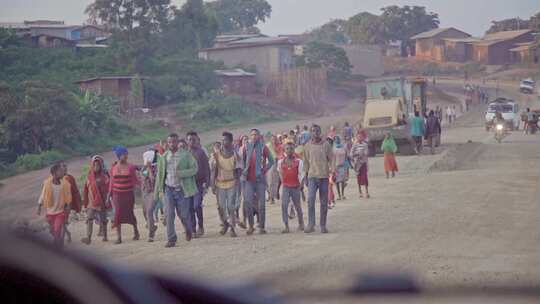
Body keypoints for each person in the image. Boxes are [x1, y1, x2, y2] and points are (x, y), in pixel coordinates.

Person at [155, 134, 198, 248]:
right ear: (167, 143)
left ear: (178, 142)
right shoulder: (164, 156)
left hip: (181, 190)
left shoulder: (185, 155)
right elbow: (160, 175)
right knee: (169, 215)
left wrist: (183, 173)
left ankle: (188, 229)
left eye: (174, 142)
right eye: (169, 142)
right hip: (168, 188)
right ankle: (171, 239)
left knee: (184, 215)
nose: (172, 144)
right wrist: (158, 190)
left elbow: (194, 169)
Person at [242, 128, 274, 235]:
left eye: (256, 134)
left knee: (261, 205)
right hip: (248, 180)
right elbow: (242, 161)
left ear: (259, 136)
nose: (254, 136)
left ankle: (262, 226)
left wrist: (264, 170)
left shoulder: (264, 147)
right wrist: (243, 171)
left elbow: (272, 160)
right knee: (248, 203)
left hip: (260, 180)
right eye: (252, 135)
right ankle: (251, 226)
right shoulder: (246, 147)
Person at [210, 132, 242, 237]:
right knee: (221, 207)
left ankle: (232, 228)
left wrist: (237, 184)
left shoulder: (236, 155)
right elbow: (214, 171)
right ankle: (225, 224)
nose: (224, 142)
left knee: (231, 207)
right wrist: (213, 185)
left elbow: (238, 171)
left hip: (232, 183)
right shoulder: (216, 155)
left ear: (231, 141)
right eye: (223, 140)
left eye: (226, 140)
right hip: (220, 184)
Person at [303, 124, 334, 234]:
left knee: (324, 202)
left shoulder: (326, 145)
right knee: (310, 200)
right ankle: (311, 224)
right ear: (310, 133)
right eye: (313, 131)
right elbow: (306, 162)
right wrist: (305, 176)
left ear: (320, 132)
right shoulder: (307, 146)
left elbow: (331, 159)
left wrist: (332, 171)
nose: (315, 133)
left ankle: (323, 225)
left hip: (324, 177)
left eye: (317, 131)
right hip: (312, 176)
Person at [108, 146, 140, 244]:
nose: (126, 156)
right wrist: (109, 194)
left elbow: (135, 180)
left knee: (130, 213)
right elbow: (111, 182)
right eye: (124, 154)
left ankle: (136, 231)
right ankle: (119, 237)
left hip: (128, 195)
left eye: (126, 154)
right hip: (117, 195)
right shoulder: (113, 168)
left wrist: (143, 186)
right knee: (117, 214)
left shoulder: (130, 167)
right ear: (119, 156)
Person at [37, 163, 72, 248]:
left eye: (62, 170)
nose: (62, 172)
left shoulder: (65, 184)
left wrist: (68, 207)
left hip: (60, 212)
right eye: (60, 171)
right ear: (54, 173)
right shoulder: (47, 184)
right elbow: (43, 194)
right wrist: (39, 206)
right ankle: (59, 241)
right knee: (52, 231)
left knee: (57, 230)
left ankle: (57, 247)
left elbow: (68, 198)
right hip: (50, 212)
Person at [81, 155, 110, 245]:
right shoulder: (89, 177)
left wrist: (106, 200)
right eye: (94, 165)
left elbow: (107, 189)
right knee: (89, 218)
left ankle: (105, 236)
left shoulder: (104, 177)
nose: (96, 167)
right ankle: (88, 238)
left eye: (97, 165)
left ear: (101, 166)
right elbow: (86, 189)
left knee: (103, 220)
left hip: (101, 202)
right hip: (91, 202)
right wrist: (85, 202)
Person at [187, 131, 210, 238]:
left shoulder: (200, 153)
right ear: (187, 141)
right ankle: (193, 229)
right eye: (189, 139)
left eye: (193, 139)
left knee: (196, 205)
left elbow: (207, 169)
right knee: (190, 207)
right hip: (187, 184)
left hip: (199, 183)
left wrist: (207, 183)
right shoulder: (184, 153)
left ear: (196, 140)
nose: (191, 141)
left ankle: (200, 225)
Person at [278, 142, 305, 233]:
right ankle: (286, 226)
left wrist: (301, 186)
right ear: (284, 150)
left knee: (298, 206)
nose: (289, 151)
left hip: (295, 186)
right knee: (284, 206)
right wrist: (278, 189)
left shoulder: (299, 162)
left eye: (291, 149)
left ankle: (301, 224)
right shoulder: (281, 162)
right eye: (287, 149)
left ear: (294, 150)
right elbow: (280, 175)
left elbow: (302, 174)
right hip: (286, 186)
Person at [58, 161, 81, 243]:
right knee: (60, 223)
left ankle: (61, 241)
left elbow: (75, 192)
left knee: (63, 222)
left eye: (65, 166)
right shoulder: (55, 178)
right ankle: (68, 234)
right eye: (63, 166)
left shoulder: (69, 178)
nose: (65, 168)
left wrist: (75, 204)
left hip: (67, 204)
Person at [141, 149, 159, 242]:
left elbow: (153, 180)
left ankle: (151, 233)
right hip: (145, 192)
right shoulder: (144, 168)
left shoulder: (156, 168)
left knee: (149, 211)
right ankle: (152, 227)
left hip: (153, 192)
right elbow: (142, 179)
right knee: (144, 212)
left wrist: (149, 169)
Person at [350, 131, 370, 198]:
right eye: (358, 137)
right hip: (357, 164)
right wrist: (355, 155)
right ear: (356, 138)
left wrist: (361, 154)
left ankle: (367, 192)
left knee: (365, 178)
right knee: (358, 178)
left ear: (363, 138)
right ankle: (360, 192)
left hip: (363, 163)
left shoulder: (365, 145)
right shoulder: (354, 145)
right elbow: (351, 154)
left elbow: (366, 153)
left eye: (361, 137)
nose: (359, 138)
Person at [333, 136, 349, 201]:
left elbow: (346, 157)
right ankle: (339, 195)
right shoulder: (333, 149)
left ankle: (343, 194)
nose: (337, 140)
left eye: (338, 139)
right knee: (337, 182)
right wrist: (333, 167)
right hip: (336, 167)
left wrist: (347, 166)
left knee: (342, 181)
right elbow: (332, 159)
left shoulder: (344, 147)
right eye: (336, 139)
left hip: (343, 166)